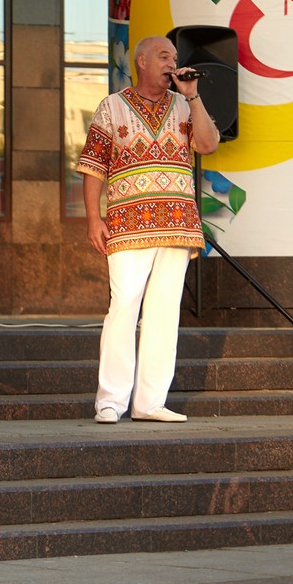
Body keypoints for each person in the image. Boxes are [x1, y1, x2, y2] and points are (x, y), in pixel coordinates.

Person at [77, 35, 219, 424]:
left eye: (175, 57)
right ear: (141, 62)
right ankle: (111, 400)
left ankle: (150, 402)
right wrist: (93, 218)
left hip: (177, 224)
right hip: (127, 225)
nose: (172, 63)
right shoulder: (112, 106)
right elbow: (93, 167)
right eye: (163, 56)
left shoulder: (185, 105)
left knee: (164, 311)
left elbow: (208, 145)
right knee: (124, 305)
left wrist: (193, 96)